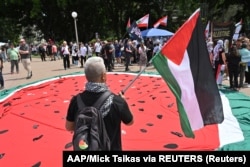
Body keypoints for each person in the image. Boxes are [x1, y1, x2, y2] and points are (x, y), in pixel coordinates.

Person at [65, 56, 134, 150]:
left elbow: (69, 127)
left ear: (86, 76)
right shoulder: (117, 101)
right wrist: (123, 102)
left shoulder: (76, 100)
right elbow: (130, 122)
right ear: (103, 76)